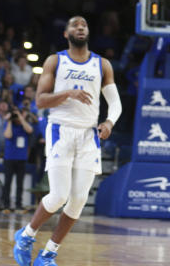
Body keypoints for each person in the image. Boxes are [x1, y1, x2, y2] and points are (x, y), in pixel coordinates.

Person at [12, 16, 122, 266]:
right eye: (75, 25)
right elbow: (40, 101)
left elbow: (115, 102)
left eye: (84, 24)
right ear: (66, 34)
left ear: (88, 31)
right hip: (61, 130)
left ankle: (49, 252)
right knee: (59, 194)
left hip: (88, 134)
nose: (80, 27)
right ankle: (27, 235)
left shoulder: (102, 64)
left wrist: (109, 122)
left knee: (79, 200)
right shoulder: (55, 61)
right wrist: (68, 93)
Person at [3, 105, 34, 213]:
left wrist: (21, 118)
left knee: (19, 183)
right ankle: (6, 205)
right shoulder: (8, 124)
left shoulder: (24, 125)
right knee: (7, 182)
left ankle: (18, 205)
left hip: (21, 158)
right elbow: (8, 135)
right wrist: (10, 121)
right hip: (9, 158)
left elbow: (30, 130)